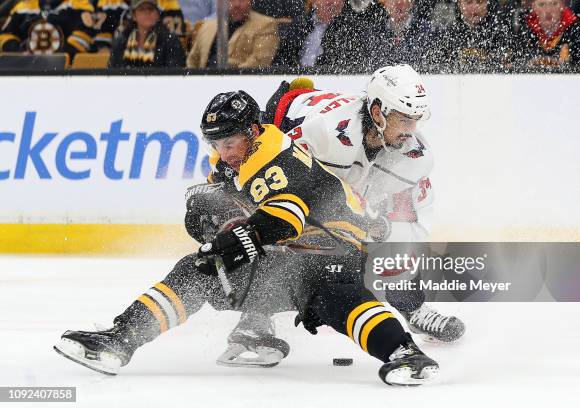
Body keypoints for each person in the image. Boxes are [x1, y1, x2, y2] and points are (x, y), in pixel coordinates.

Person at [54, 90, 439, 386]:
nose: (223, 153)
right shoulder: (238, 158)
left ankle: (405, 353)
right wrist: (213, 226)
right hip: (292, 254)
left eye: (229, 143)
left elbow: (283, 220)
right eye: (216, 144)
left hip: (338, 244)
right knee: (198, 272)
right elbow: (218, 208)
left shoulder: (275, 156)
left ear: (253, 131)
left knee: (333, 293)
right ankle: (120, 342)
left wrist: (233, 244)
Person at [218, 65, 466, 367]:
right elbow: (280, 174)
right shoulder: (324, 133)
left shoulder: (415, 157)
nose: (410, 130)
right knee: (283, 220)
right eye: (403, 118)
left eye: (416, 119)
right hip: (286, 123)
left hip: (344, 160)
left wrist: (378, 236)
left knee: (381, 231)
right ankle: (255, 316)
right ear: (377, 112)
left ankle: (412, 309)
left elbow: (406, 228)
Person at [272, 0, 392, 72]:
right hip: (296, 80)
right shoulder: (298, 25)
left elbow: (352, 65)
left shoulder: (354, 29)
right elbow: (282, 57)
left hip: (329, 83)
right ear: (314, 1)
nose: (331, 2)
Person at [186, 0, 279, 68]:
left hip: (241, 86)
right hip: (204, 84)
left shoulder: (266, 24)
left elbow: (260, 62)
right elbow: (193, 61)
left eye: (242, 0)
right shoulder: (207, 26)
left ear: (251, 1)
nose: (236, 4)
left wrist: (230, 76)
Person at [511, 0, 580, 67]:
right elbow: (516, 60)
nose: (548, 10)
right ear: (533, 7)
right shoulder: (526, 29)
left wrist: (570, 62)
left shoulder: (572, 28)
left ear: (562, 6)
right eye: (541, 4)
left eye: (554, 4)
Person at [0, 0, 96, 58]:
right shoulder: (24, 6)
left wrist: (52, 58)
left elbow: (83, 38)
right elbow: (5, 36)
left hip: (64, 72)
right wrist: (19, 52)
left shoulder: (79, 4)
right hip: (25, 68)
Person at [108, 0, 185, 68]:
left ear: (157, 14)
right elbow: (113, 71)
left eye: (150, 9)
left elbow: (175, 73)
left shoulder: (170, 41)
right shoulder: (122, 40)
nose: (147, 12)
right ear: (134, 15)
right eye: (141, 9)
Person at [440, 0, 511, 70]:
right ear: (459, 4)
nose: (474, 7)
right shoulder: (448, 35)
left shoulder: (503, 34)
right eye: (468, 2)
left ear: (488, 3)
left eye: (480, 2)